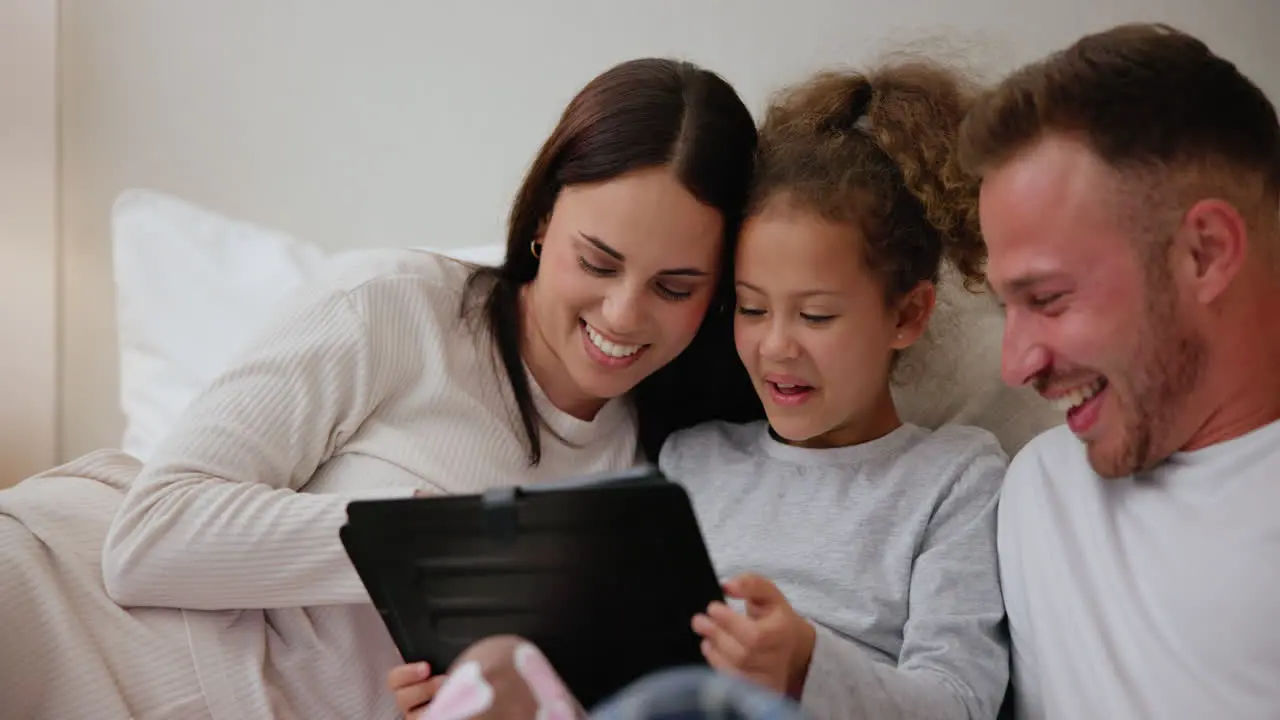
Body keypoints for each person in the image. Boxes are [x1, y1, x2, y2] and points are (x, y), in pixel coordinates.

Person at [0, 57, 760, 719]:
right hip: (72, 614)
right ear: (542, 220)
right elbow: (149, 537)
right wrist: (422, 545)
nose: (623, 313)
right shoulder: (397, 306)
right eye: (597, 262)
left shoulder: (671, 474)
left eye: (675, 286)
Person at [390, 57, 1011, 720]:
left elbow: (962, 703)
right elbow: (608, 655)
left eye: (817, 315)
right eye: (750, 307)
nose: (776, 345)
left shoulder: (955, 480)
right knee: (497, 667)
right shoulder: (692, 458)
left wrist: (806, 665)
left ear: (908, 314)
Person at [957, 22, 1280, 719]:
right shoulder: (1039, 494)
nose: (1015, 367)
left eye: (1047, 299)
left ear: (1205, 253)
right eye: (1006, 307)